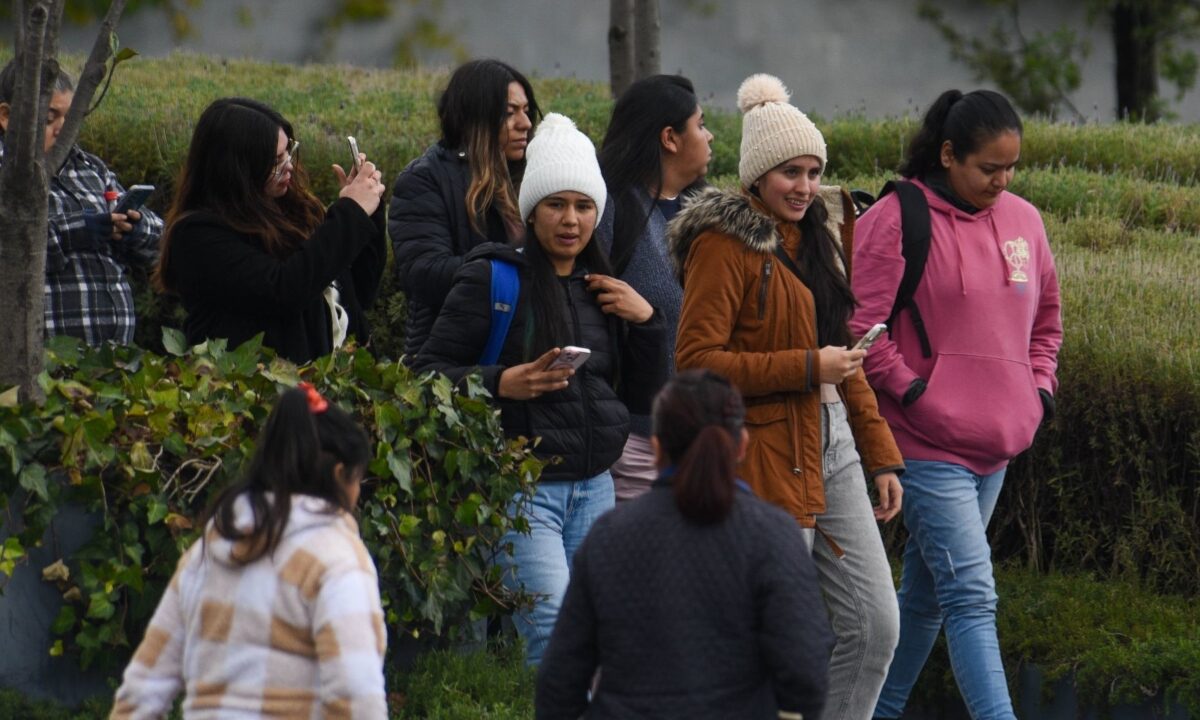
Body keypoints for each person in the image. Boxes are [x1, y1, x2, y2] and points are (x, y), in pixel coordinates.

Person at [670, 74, 904, 720]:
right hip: (764, 451)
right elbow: (695, 363)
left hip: (833, 448)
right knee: (775, 642)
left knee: (877, 626)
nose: (804, 186)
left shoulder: (819, 236)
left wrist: (881, 454)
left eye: (813, 171)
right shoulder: (723, 244)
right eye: (789, 173)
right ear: (755, 177)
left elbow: (845, 356)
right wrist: (808, 366)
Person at [414, 113, 667, 667]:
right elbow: (425, 374)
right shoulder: (493, 278)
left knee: (598, 636)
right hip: (522, 493)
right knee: (552, 635)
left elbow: (643, 396)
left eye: (583, 206)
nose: (570, 220)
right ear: (531, 211)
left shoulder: (605, 290)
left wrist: (647, 323)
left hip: (597, 487)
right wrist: (504, 382)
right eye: (556, 205)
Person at [852, 90, 1062, 720]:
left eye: (1011, 168)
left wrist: (1039, 394)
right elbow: (862, 329)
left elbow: (1046, 323)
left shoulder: (1025, 221)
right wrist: (916, 392)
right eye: (988, 169)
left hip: (999, 444)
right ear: (948, 155)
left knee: (926, 601)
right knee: (972, 593)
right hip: (925, 443)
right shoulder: (895, 218)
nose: (1002, 181)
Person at [535, 370, 834, 720]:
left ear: (657, 448)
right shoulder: (771, 534)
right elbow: (807, 673)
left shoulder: (608, 537)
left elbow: (559, 680)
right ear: (741, 446)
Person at [110, 383, 387, 718]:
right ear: (340, 474)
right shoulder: (337, 560)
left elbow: (143, 687)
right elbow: (357, 693)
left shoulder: (206, 554)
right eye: (358, 480)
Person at [155, 98, 387, 364]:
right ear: (238, 168)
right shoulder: (197, 236)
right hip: (258, 395)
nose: (289, 165)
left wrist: (371, 209)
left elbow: (361, 292)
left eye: (289, 151)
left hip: (338, 389)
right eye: (276, 160)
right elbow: (284, 290)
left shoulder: (295, 211)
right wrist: (351, 211)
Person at [595, 74, 714, 501]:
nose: (710, 135)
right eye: (700, 125)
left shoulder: (709, 215)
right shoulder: (610, 209)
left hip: (704, 435)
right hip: (638, 442)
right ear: (670, 138)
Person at [0, 60, 163, 346]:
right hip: (41, 361)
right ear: (7, 117)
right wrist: (76, 231)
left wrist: (134, 227)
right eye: (50, 118)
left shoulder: (91, 169)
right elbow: (10, 247)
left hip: (113, 357)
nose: (63, 129)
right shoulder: (7, 176)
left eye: (71, 117)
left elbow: (161, 240)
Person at [390, 59, 539, 360]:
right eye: (509, 113)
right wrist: (518, 264)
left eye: (526, 111)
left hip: (524, 353)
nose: (525, 123)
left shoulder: (535, 174)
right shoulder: (425, 179)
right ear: (476, 117)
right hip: (453, 365)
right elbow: (425, 274)